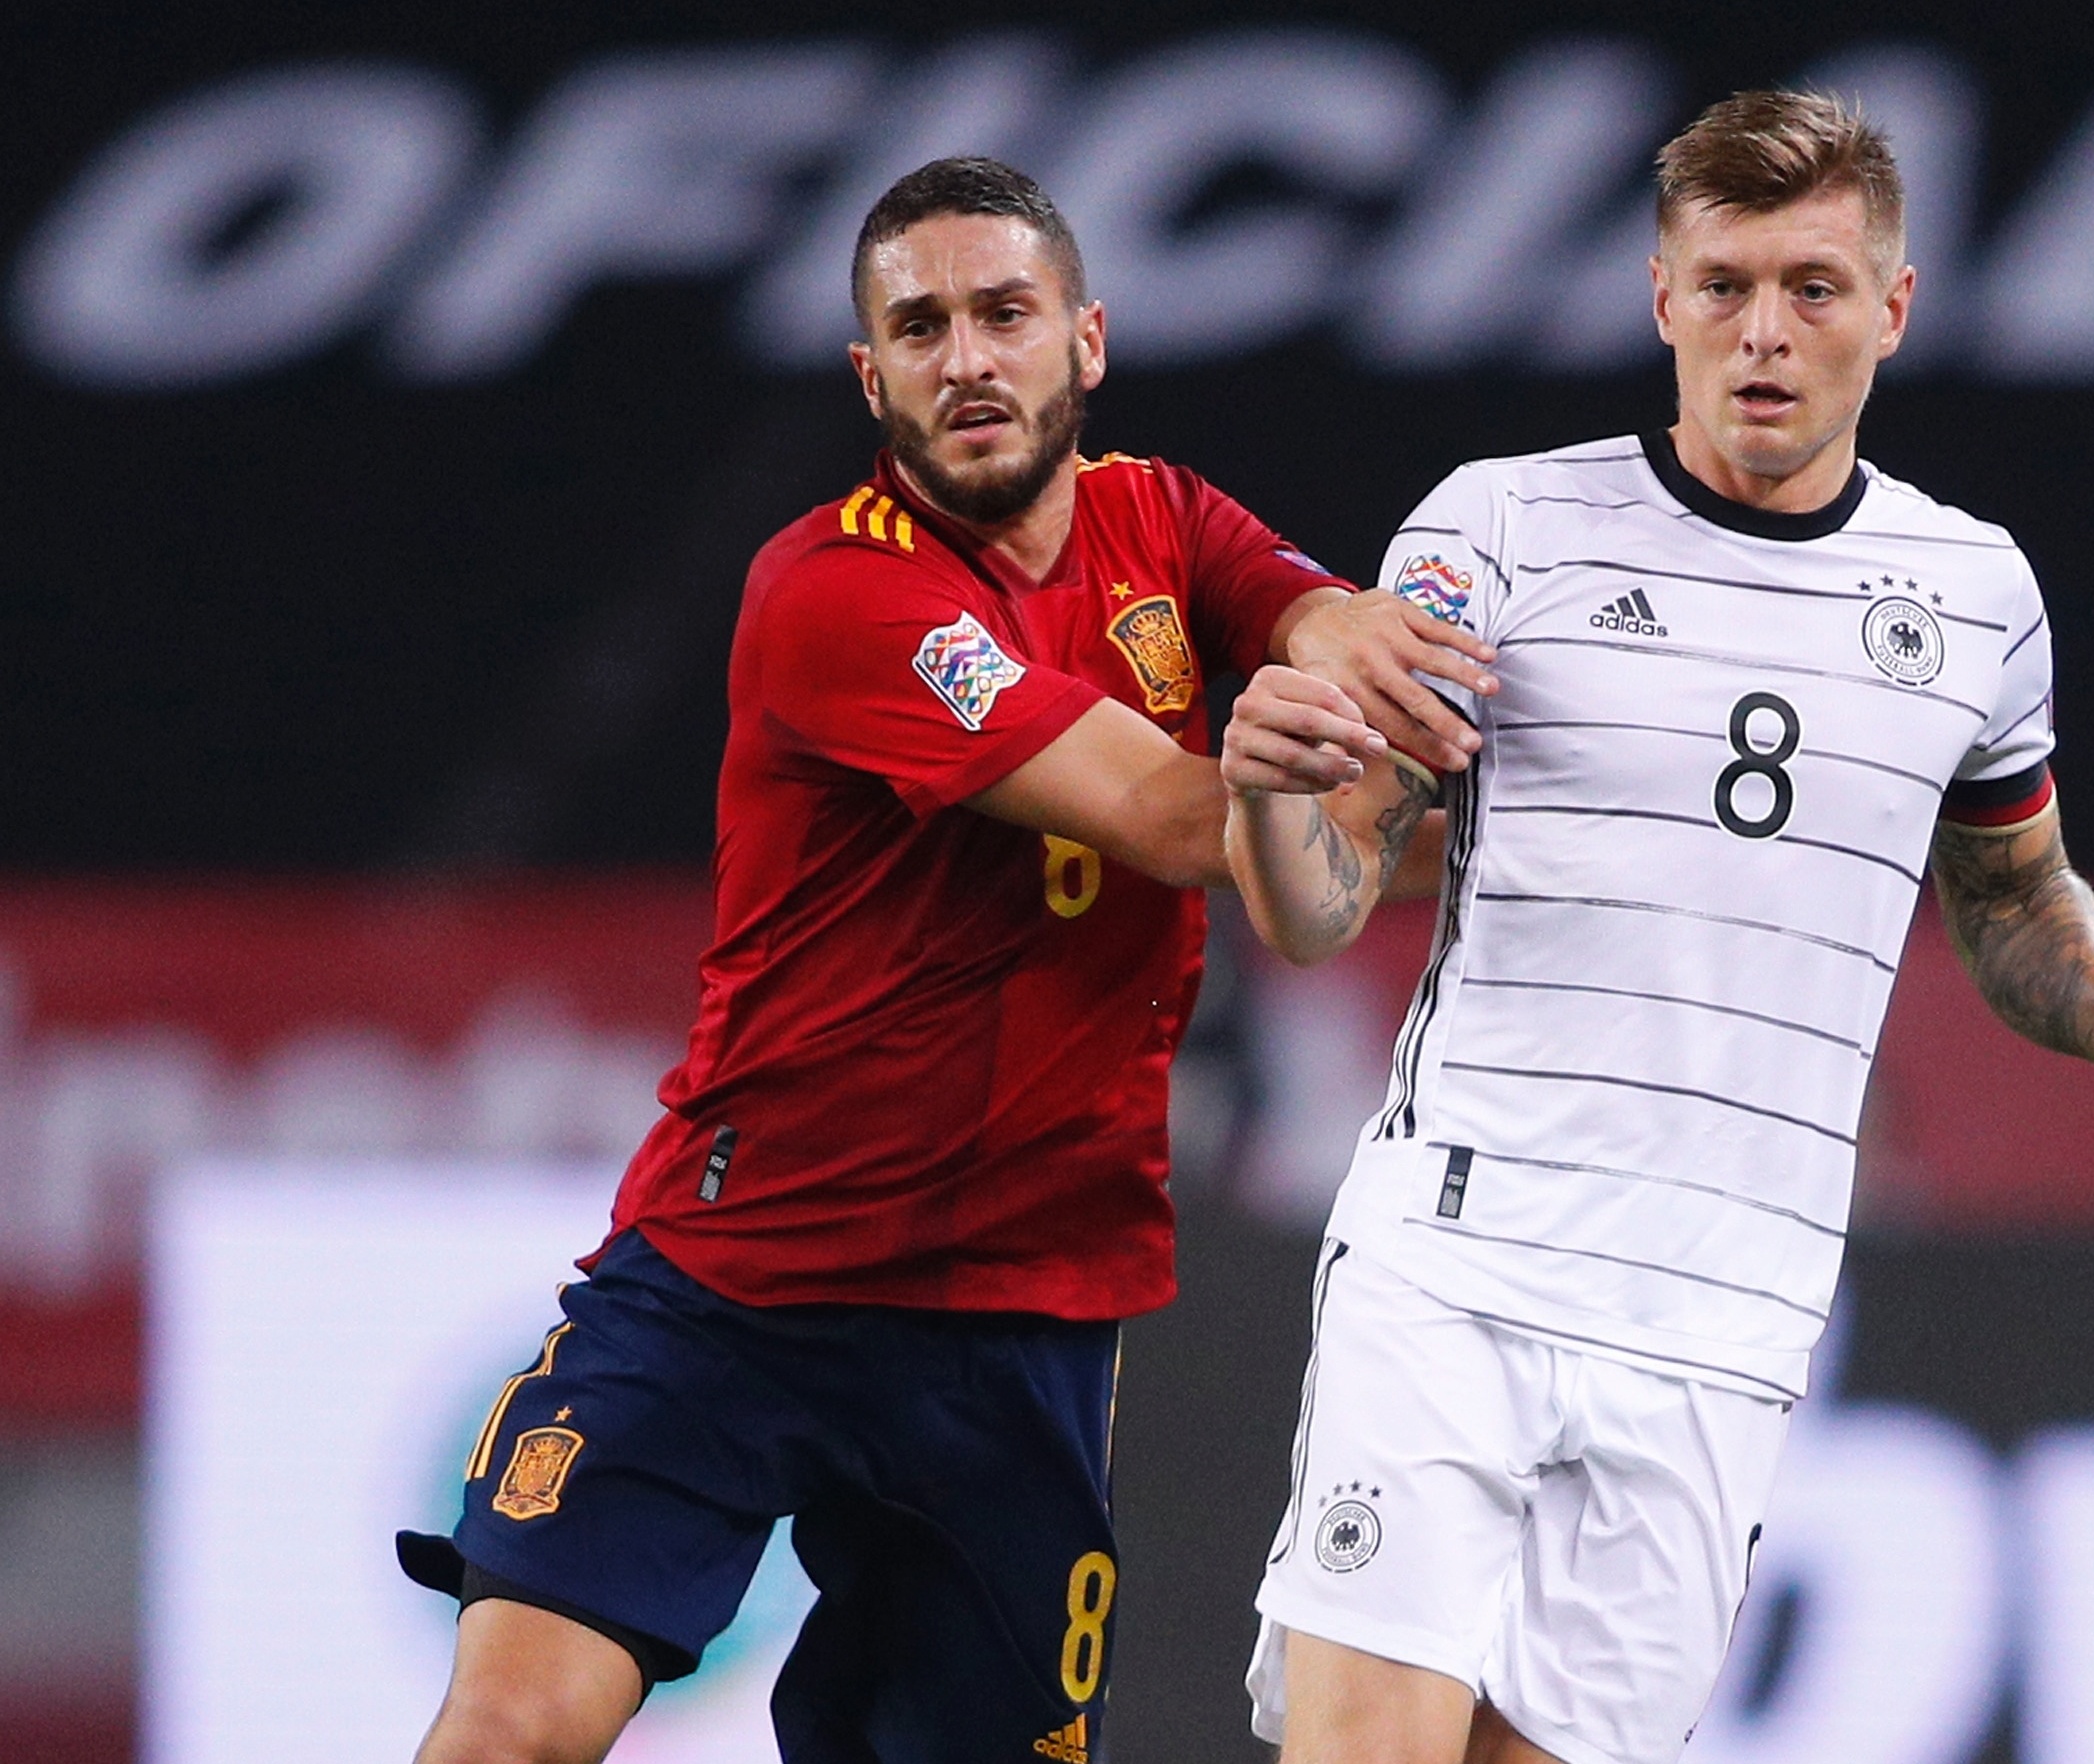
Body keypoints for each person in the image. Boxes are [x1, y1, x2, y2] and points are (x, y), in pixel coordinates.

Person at [395, 156, 1493, 1764]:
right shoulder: (839, 590)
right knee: (514, 1726)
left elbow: (1306, 613)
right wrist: (1332, 762)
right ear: (873, 375)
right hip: (741, 1280)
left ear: (1086, 340)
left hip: (1019, 1317)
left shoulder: (1162, 522)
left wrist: (1373, 649)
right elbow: (1181, 817)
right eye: (921, 328)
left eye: (1004, 314)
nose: (967, 358)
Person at [1218, 91, 2094, 1764]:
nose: (1763, 333)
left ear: (1892, 309)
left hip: (1725, 1311)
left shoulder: (1973, 594)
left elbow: (2010, 890)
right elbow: (1323, 903)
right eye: (1723, 284)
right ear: (1660, 298)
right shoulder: (1499, 532)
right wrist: (1267, 789)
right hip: (1461, 1261)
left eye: (1814, 288)